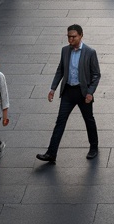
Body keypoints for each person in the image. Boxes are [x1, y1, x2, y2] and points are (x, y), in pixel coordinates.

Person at [36, 25, 101, 164]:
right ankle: (51, 153)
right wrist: (53, 88)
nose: (70, 39)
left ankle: (94, 147)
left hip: (83, 93)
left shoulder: (90, 52)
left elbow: (96, 74)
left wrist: (90, 92)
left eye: (73, 36)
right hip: (68, 92)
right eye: (68, 36)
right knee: (60, 122)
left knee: (89, 120)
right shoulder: (65, 50)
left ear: (81, 35)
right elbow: (60, 70)